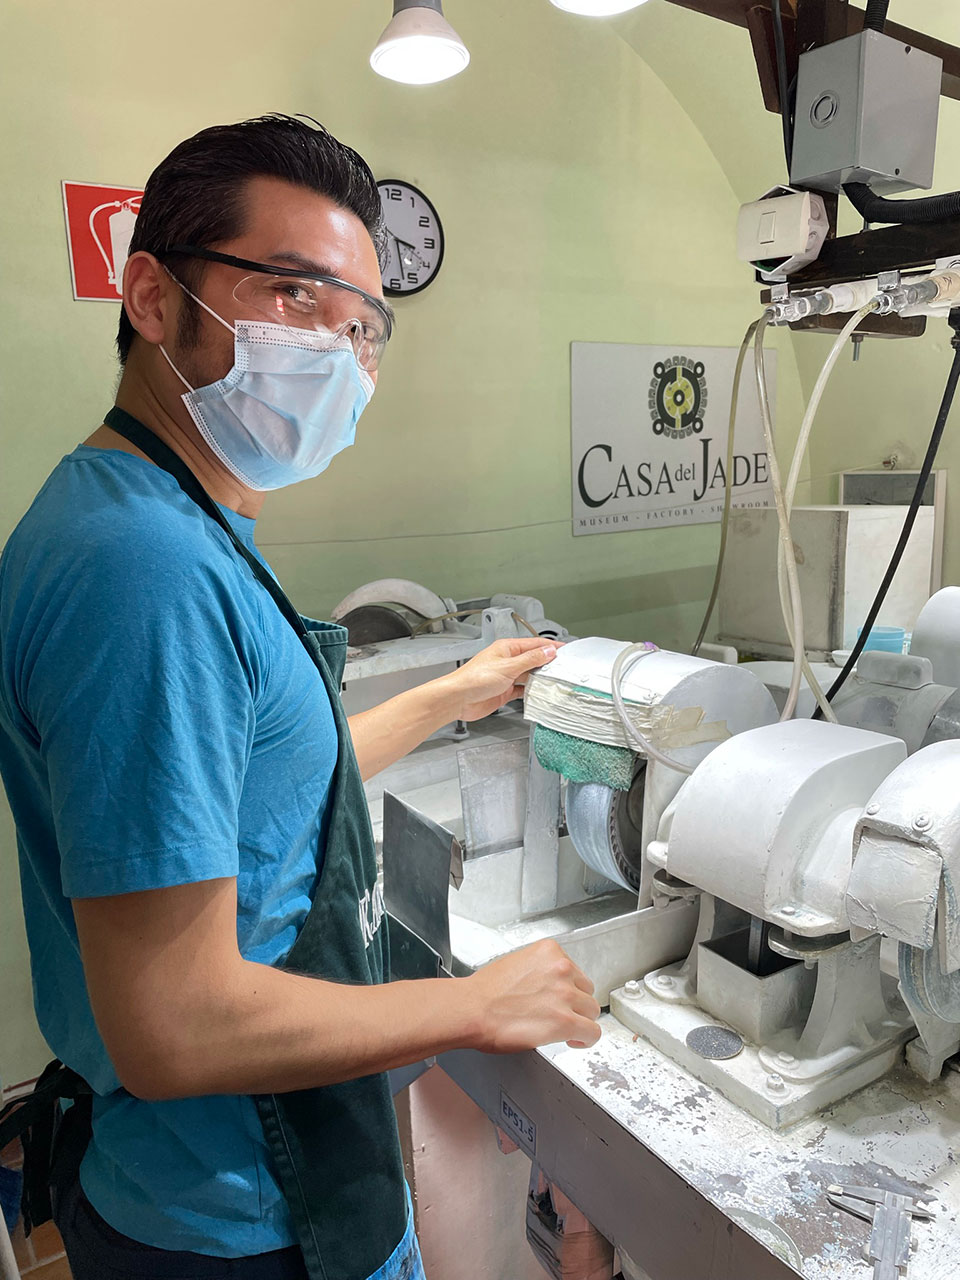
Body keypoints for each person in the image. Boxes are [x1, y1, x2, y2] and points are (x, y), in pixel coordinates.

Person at [0, 115, 601, 1280]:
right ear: (152, 296)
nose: (337, 348)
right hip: (243, 1211)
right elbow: (174, 1021)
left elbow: (259, 784)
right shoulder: (147, 571)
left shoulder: (145, 511)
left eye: (364, 324)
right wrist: (472, 1003)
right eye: (294, 296)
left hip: (209, 1177)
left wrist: (452, 694)